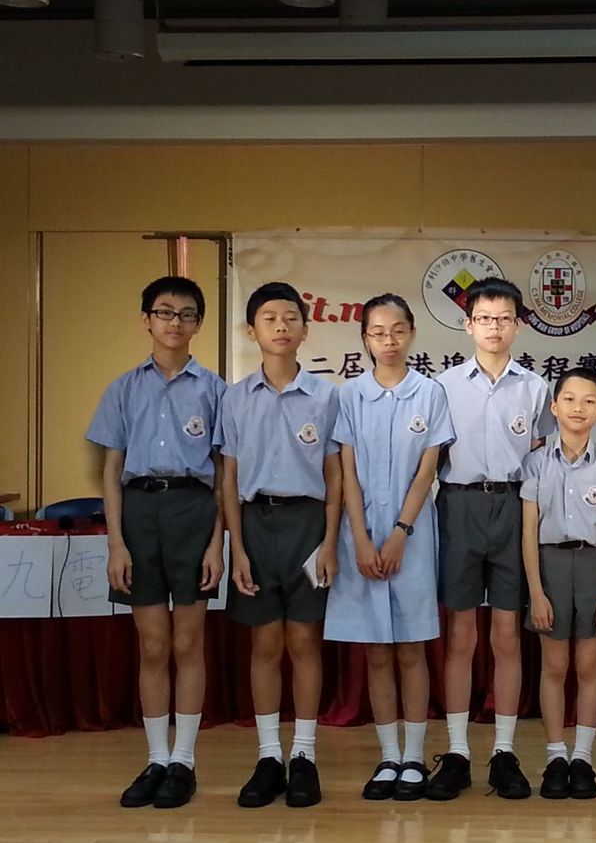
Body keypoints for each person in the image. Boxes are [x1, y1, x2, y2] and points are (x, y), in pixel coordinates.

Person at [88, 276, 225, 809]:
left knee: (188, 643)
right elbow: (111, 470)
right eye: (164, 312)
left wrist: (216, 544)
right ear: (146, 319)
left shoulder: (214, 390)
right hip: (139, 513)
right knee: (152, 645)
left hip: (194, 511)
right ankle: (156, 758)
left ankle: (184, 761)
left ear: (198, 324)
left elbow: (224, 474)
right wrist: (116, 544)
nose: (175, 322)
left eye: (186, 314)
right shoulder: (123, 389)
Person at [427, 277, 553, 801]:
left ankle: (504, 751)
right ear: (467, 324)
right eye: (484, 318)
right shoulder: (443, 387)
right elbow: (430, 459)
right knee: (460, 635)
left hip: (514, 507)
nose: (494, 328)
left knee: (506, 634)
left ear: (518, 325)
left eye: (504, 319)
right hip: (458, 505)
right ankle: (457, 751)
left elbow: (543, 454)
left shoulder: (536, 388)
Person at [325, 294, 455, 802]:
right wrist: (359, 538)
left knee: (411, 649)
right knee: (377, 651)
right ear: (365, 340)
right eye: (378, 332)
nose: (389, 341)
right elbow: (347, 472)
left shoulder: (430, 393)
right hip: (361, 535)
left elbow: (427, 472)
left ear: (412, 333)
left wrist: (401, 532)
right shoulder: (350, 396)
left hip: (412, 537)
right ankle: (388, 757)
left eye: (398, 330)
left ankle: (415, 758)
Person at [218, 282, 341, 809]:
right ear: (252, 331)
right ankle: (269, 756)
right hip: (256, 524)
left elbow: (335, 476)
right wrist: (237, 548)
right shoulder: (234, 397)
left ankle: (304, 755)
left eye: (290, 317)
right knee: (265, 645)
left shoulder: (326, 396)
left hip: (309, 524)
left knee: (304, 643)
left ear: (305, 330)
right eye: (269, 318)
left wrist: (330, 542)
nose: (281, 326)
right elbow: (228, 480)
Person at [521, 367, 596, 800]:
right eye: (569, 399)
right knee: (554, 666)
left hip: (594, 567)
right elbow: (528, 532)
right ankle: (555, 756)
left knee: (588, 666)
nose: (578, 408)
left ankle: (582, 757)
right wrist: (536, 592)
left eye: (589, 401)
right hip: (549, 566)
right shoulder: (535, 463)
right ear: (554, 407)